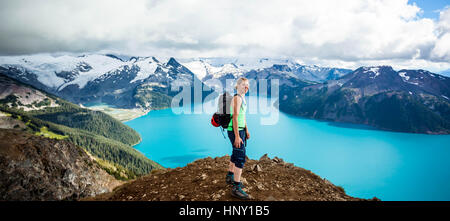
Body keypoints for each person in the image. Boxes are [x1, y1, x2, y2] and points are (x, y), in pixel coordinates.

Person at [225, 77, 250, 200]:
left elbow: (242, 116)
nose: (246, 87)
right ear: (238, 86)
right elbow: (234, 117)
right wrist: (237, 136)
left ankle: (230, 175)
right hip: (235, 131)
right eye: (244, 85)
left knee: (236, 153)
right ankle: (236, 188)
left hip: (241, 130)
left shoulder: (243, 98)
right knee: (240, 157)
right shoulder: (237, 98)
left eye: (247, 85)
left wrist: (246, 130)